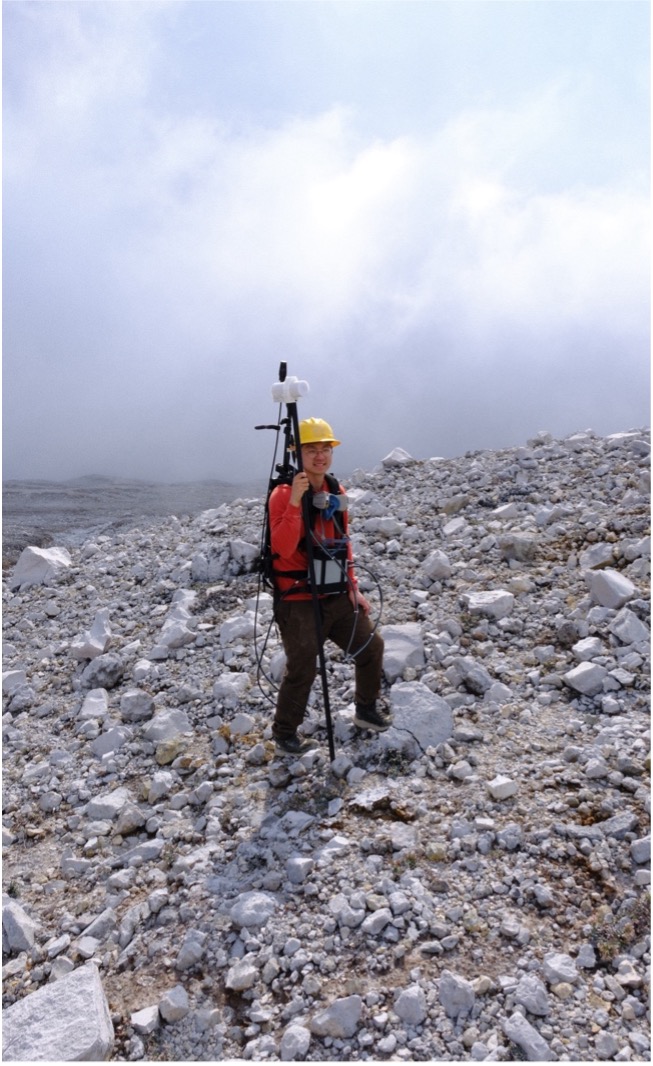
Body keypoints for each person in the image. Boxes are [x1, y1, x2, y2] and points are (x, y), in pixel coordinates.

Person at [269, 417, 389, 754]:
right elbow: (281, 548)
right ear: (298, 453)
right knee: (303, 668)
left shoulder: (337, 492)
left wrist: (353, 587)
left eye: (325, 448)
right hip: (298, 599)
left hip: (335, 592)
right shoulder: (282, 495)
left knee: (371, 647)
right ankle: (284, 734)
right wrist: (295, 502)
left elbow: (342, 543)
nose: (320, 456)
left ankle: (365, 711)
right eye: (311, 449)